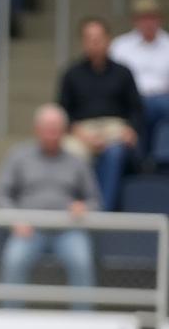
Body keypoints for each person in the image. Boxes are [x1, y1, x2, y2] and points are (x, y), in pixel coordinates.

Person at [0, 104, 101, 305]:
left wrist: (84, 207)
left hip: (69, 230)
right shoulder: (18, 156)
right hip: (29, 230)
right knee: (13, 261)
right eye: (47, 129)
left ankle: (85, 323)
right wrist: (14, 220)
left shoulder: (78, 161)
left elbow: (95, 200)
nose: (52, 134)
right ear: (37, 129)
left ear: (64, 131)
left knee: (82, 262)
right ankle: (10, 322)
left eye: (56, 129)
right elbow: (1, 195)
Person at [58, 16, 145, 211]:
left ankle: (103, 211)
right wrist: (78, 131)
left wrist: (130, 130)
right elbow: (63, 111)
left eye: (98, 38)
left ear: (108, 40)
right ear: (83, 42)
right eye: (89, 38)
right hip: (82, 130)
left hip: (115, 128)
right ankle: (74, 208)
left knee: (115, 153)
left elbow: (137, 109)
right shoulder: (71, 73)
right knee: (71, 153)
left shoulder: (123, 72)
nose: (94, 43)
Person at [110, 0, 169, 150]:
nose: (148, 23)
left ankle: (161, 163)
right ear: (135, 21)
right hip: (130, 100)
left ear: (160, 19)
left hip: (164, 99)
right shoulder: (120, 46)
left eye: (152, 17)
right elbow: (113, 78)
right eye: (143, 18)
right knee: (137, 109)